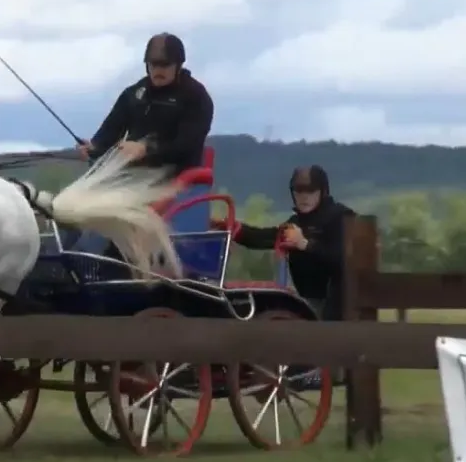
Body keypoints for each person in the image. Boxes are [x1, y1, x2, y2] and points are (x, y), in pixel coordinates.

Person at [215, 165, 356, 320]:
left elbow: (344, 260)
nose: (304, 197)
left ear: (322, 192)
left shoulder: (341, 217)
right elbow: (265, 237)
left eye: (310, 191)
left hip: (340, 304)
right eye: (299, 191)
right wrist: (234, 228)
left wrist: (305, 244)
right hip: (308, 301)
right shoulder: (296, 221)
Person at [77, 32, 214, 175]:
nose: (158, 70)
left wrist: (146, 150)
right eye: (153, 64)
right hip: (131, 174)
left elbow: (186, 146)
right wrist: (94, 148)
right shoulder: (134, 94)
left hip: (180, 176)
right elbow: (109, 132)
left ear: (178, 65)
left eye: (165, 65)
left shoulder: (196, 96)